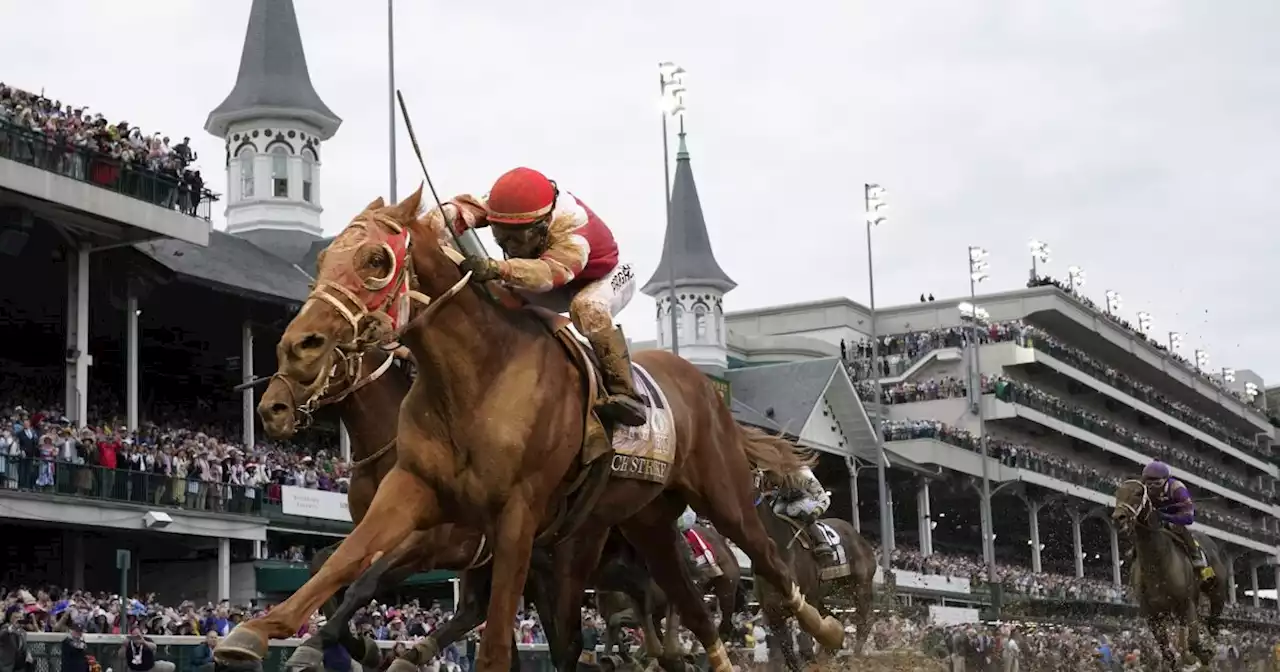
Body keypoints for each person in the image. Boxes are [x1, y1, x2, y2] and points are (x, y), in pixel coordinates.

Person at [428, 167, 646, 426]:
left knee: (588, 307)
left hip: (601, 276)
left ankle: (626, 392)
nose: (510, 246)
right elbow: (467, 208)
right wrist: (438, 221)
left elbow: (548, 273)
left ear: (542, 225)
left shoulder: (573, 229)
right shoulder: (510, 206)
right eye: (502, 236)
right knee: (498, 293)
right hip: (552, 274)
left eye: (518, 238)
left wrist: (498, 267)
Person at [1141, 460, 1214, 583]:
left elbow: (1189, 518)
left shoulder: (1177, 488)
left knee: (1176, 528)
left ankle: (1196, 556)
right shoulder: (1143, 489)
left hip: (1176, 517)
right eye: (1149, 484)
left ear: (1165, 480)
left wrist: (1165, 517)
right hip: (1156, 517)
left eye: (1156, 483)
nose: (1152, 488)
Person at [773, 465, 834, 561]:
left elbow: (824, 499)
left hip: (803, 500)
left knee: (797, 508)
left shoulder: (804, 475)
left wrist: (815, 513)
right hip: (784, 499)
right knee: (773, 509)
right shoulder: (768, 475)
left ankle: (821, 541)